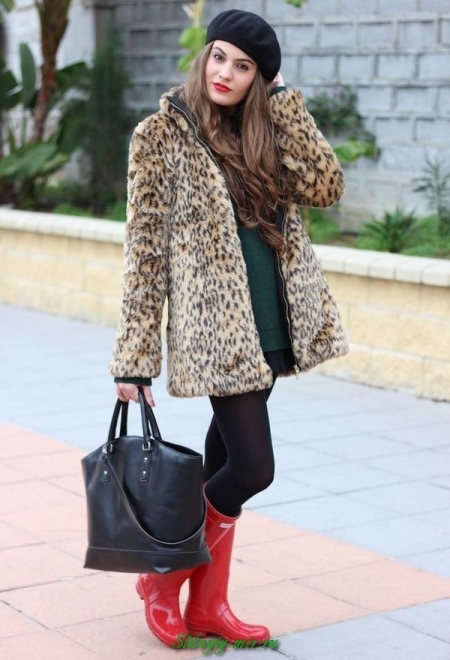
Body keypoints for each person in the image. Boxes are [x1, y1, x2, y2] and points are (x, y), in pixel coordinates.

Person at [110, 8, 348, 649]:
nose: (225, 73)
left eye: (244, 67)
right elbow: (144, 252)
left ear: (259, 80)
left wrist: (284, 104)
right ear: (204, 56)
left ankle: (208, 604)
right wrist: (134, 357)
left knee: (223, 463)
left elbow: (326, 185)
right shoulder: (160, 136)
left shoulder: (265, 132)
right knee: (251, 467)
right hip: (217, 331)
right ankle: (161, 575)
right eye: (219, 56)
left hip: (272, 319)